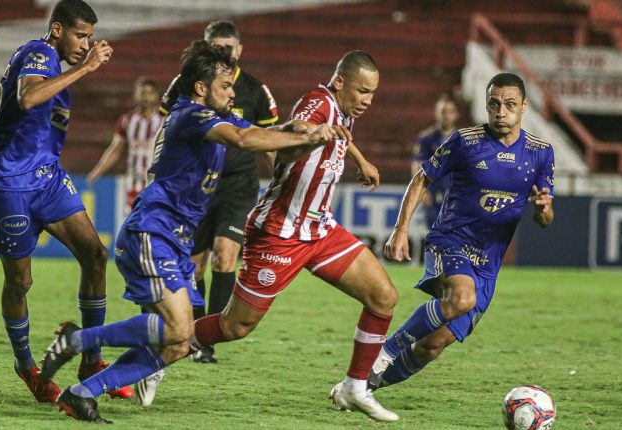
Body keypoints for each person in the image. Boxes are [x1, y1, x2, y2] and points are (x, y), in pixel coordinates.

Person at [38, 40, 336, 423]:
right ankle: (77, 341)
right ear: (200, 87)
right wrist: (308, 136)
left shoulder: (213, 117)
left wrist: (301, 134)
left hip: (175, 240)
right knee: (178, 327)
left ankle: (82, 393)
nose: (232, 92)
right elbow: (246, 140)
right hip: (152, 231)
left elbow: (269, 137)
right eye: (225, 86)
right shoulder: (191, 116)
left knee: (180, 343)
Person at [190, 51, 401, 422]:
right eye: (362, 91)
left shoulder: (344, 111)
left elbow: (339, 131)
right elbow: (299, 127)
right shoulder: (317, 101)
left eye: (373, 93)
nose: (368, 99)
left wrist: (360, 160)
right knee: (233, 326)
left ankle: (355, 386)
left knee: (383, 297)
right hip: (279, 232)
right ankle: (164, 348)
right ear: (340, 83)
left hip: (320, 230)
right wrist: (307, 134)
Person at [0, 0, 133, 402]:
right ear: (57, 30)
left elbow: (13, 109)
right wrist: (86, 68)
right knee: (20, 280)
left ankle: (91, 358)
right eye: (80, 35)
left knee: (95, 255)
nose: (86, 45)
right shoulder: (38, 52)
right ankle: (27, 365)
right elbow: (26, 99)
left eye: (90, 38)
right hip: (8, 180)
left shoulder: (55, 74)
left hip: (47, 178)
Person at [367, 73, 554, 395]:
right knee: (461, 299)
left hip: (488, 265)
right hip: (450, 241)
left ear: (524, 106)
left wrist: (542, 209)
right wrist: (400, 230)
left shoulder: (540, 153)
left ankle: (361, 388)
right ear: (486, 105)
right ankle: (385, 350)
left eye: (509, 104)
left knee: (433, 345)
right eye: (494, 104)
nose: (500, 111)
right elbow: (421, 179)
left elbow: (546, 219)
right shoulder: (465, 141)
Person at [160, 20, 280, 364]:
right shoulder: (188, 84)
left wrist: (278, 183)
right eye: (218, 47)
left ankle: (207, 341)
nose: (224, 53)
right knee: (195, 268)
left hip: (238, 186)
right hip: (197, 188)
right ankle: (191, 334)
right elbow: (167, 127)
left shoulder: (256, 90)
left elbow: (266, 141)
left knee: (225, 257)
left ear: (240, 50)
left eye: (229, 48)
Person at [87, 78, 164, 214]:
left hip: (157, 181)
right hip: (133, 182)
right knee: (133, 222)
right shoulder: (127, 120)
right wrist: (97, 171)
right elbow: (116, 149)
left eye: (150, 93)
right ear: (135, 95)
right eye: (142, 92)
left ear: (157, 96)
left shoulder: (164, 121)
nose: (146, 96)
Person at [410, 94, 460, 262]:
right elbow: (418, 164)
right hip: (434, 192)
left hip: (457, 194)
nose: (447, 115)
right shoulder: (427, 138)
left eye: (450, 111)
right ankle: (437, 270)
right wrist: (421, 191)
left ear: (456, 114)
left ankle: (453, 269)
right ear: (437, 113)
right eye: (443, 111)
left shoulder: (463, 138)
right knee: (435, 232)